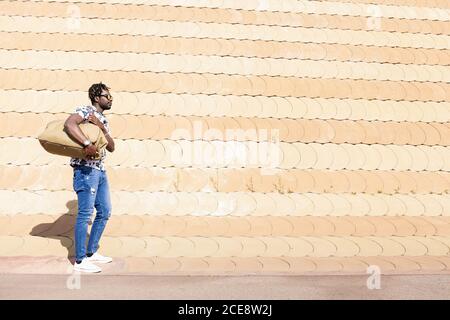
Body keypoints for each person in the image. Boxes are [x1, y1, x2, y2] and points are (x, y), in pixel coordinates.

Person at [64, 82, 115, 273]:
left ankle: (91, 253)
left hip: (100, 171)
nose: (110, 100)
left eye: (110, 97)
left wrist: (101, 127)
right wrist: (86, 142)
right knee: (85, 215)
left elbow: (111, 147)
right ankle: (80, 261)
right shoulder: (85, 111)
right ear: (96, 98)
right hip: (85, 170)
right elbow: (69, 123)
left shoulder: (103, 120)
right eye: (107, 96)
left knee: (105, 211)